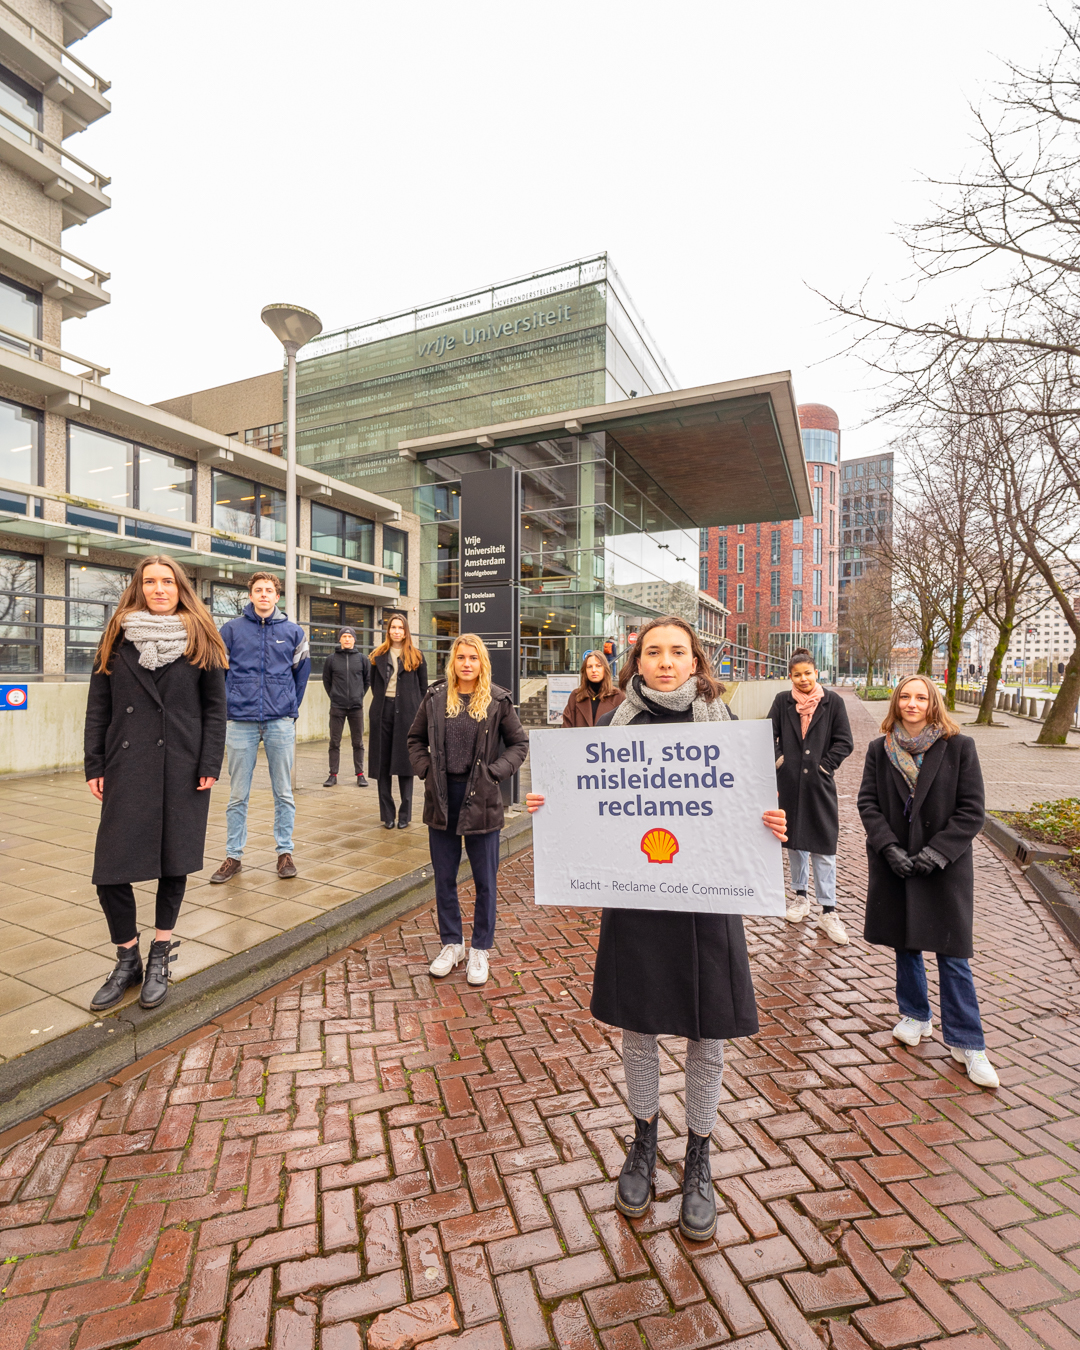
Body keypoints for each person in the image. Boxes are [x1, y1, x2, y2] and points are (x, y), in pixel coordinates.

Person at [526, 615, 787, 1241]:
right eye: (653, 653)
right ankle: (643, 1141)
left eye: (677, 652)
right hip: (637, 898)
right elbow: (595, 803)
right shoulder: (617, 726)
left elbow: (743, 805)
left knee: (707, 1026)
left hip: (704, 902)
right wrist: (552, 806)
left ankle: (699, 1156)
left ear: (695, 660)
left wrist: (770, 822)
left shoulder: (723, 728)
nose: (665, 662)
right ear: (635, 662)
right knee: (640, 1023)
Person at [84, 556, 227, 1012]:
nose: (159, 588)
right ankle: (128, 958)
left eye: (167, 581)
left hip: (183, 765)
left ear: (180, 587)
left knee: (173, 862)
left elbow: (215, 710)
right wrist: (94, 764)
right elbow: (98, 707)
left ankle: (160, 952)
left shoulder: (202, 638)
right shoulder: (116, 637)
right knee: (111, 869)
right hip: (128, 766)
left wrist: (209, 761)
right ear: (139, 587)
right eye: (150, 581)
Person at [857, 674, 998, 1088]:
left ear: (932, 702)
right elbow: (867, 801)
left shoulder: (958, 747)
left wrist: (936, 853)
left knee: (953, 954)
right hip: (897, 863)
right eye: (905, 696)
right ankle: (916, 1014)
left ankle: (968, 1042)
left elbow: (972, 811)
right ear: (896, 702)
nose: (912, 703)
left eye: (921, 697)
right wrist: (888, 848)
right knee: (906, 943)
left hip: (944, 867)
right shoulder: (879, 750)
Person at [408, 634, 529, 987]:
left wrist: (494, 774)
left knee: (485, 881)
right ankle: (451, 944)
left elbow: (519, 743)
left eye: (473, 658)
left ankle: (479, 947)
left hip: (482, 798)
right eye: (460, 657)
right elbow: (415, 740)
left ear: (482, 663)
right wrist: (427, 771)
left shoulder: (497, 700)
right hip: (442, 798)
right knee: (444, 878)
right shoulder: (434, 697)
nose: (466, 663)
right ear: (452, 661)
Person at [211, 573, 310, 883]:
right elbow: (218, 674)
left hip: (280, 721)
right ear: (250, 595)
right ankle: (233, 856)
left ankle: (285, 853)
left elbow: (301, 676)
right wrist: (228, 705)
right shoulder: (230, 630)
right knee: (237, 795)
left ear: (277, 596)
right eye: (258, 590)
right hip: (240, 721)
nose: (264, 595)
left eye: (269, 590)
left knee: (284, 792)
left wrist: (289, 710)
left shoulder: (294, 632)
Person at [768, 648, 854, 943]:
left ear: (816, 673)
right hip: (790, 784)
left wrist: (825, 766)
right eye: (797, 674)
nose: (803, 679)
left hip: (819, 785)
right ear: (790, 676)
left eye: (808, 673)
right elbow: (768, 733)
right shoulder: (783, 701)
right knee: (795, 844)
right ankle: (800, 897)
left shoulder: (833, 702)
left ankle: (828, 910)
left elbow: (845, 741)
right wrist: (780, 760)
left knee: (824, 845)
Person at [369, 613, 427, 829]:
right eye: (393, 627)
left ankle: (405, 814)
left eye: (400, 627)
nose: (396, 631)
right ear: (388, 630)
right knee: (382, 764)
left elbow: (423, 690)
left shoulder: (416, 656)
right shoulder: (378, 655)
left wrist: (418, 714)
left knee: (405, 765)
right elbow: (374, 685)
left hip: (407, 715)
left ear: (405, 631)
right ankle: (387, 815)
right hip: (382, 712)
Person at [322, 626, 370, 788]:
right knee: (334, 742)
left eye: (350, 636)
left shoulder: (362, 659)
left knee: (358, 743)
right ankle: (333, 775)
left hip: (356, 707)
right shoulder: (332, 659)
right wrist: (335, 695)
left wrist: (358, 696)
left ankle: (360, 775)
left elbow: (367, 681)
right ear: (340, 639)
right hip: (337, 707)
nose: (347, 639)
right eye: (344, 636)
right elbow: (327, 681)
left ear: (354, 639)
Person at [561, 650, 624, 727]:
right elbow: (566, 729)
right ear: (585, 671)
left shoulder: (618, 697)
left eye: (598, 666)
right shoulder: (575, 696)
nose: (594, 670)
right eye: (589, 666)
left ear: (605, 669)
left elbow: (624, 732)